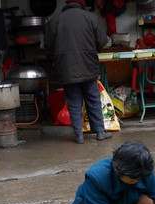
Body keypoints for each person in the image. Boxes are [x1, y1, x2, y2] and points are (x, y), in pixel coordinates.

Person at [45, 0, 112, 144]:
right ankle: (100, 132)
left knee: (73, 101)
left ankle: (78, 135)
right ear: (81, 3)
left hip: (66, 68)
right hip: (88, 66)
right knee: (93, 98)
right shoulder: (91, 18)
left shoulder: (55, 20)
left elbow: (48, 45)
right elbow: (102, 42)